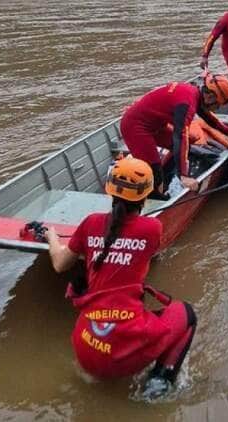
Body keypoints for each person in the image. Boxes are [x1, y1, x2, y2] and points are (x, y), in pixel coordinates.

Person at [43, 157, 197, 399]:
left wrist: (52, 236)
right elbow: (139, 246)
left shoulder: (91, 222)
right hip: (120, 353)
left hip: (85, 349)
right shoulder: (152, 228)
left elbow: (60, 264)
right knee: (186, 313)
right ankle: (159, 382)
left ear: (109, 190)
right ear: (146, 196)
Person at [120, 73, 228, 198]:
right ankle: (156, 197)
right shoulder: (186, 104)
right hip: (135, 127)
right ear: (210, 97)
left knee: (180, 148)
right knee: (154, 171)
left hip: (155, 125)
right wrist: (184, 175)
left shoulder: (193, 94)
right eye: (217, 105)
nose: (216, 109)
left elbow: (207, 116)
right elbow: (180, 137)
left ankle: (165, 177)